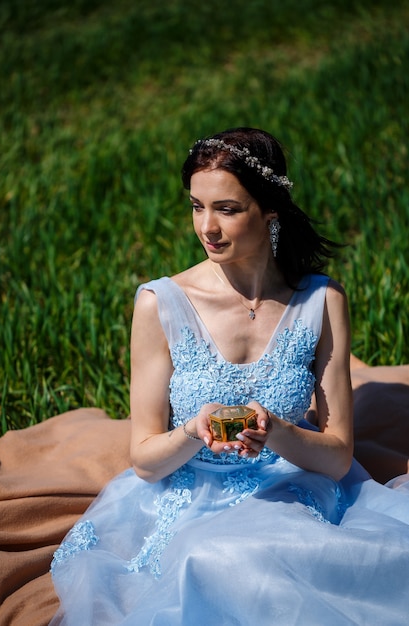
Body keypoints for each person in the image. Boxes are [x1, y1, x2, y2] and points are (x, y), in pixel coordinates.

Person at [49, 128, 409, 625]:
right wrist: (193, 431)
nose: (207, 227)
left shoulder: (321, 302)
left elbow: (338, 456)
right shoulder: (160, 303)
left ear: (270, 211)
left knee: (265, 560)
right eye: (197, 206)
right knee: (210, 558)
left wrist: (277, 432)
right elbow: (145, 461)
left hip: (291, 493)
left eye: (227, 209)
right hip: (185, 499)